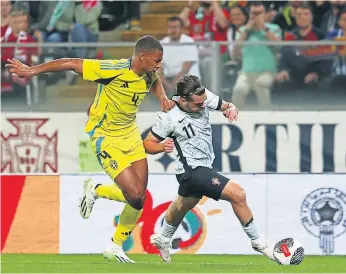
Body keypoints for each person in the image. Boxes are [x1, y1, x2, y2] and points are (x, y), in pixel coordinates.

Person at [6, 35, 175, 263]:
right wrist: (34, 70)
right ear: (141, 57)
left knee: (138, 199)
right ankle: (95, 189)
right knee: (134, 192)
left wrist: (162, 98)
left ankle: (114, 246)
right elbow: (72, 64)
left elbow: (154, 80)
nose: (159, 65)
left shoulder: (148, 72)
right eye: (156, 60)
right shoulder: (112, 69)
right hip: (106, 137)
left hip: (131, 135)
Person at [143, 74, 274, 263]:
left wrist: (231, 108)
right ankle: (258, 241)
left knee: (182, 205)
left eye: (204, 101)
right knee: (238, 194)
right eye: (197, 104)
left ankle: (163, 238)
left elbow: (225, 105)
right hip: (191, 171)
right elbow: (147, 144)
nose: (203, 106)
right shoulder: (169, 118)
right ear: (182, 100)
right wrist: (162, 147)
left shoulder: (202, 97)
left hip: (202, 166)